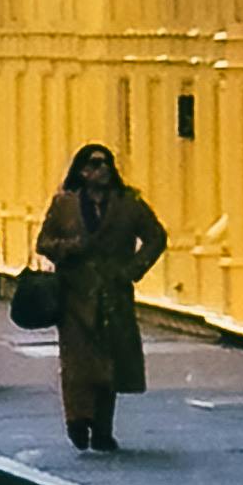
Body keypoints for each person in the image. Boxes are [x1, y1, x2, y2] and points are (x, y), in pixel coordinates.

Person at [32, 141, 167, 456]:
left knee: (109, 366)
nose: (102, 169)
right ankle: (77, 420)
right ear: (82, 171)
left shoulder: (129, 205)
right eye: (94, 164)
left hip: (113, 296)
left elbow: (156, 237)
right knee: (77, 364)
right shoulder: (64, 204)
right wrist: (68, 247)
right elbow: (44, 242)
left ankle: (103, 430)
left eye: (106, 164)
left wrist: (133, 269)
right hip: (74, 295)